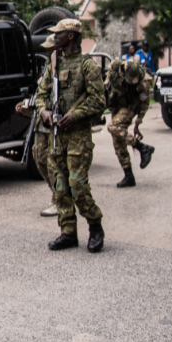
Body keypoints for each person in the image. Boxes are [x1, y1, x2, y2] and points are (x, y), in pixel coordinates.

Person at [36, 18, 106, 253]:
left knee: (77, 185)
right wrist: (44, 110)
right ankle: (68, 232)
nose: (55, 36)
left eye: (60, 33)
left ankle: (95, 225)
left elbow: (98, 101)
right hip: (56, 135)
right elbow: (41, 94)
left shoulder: (88, 66)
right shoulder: (54, 65)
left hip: (77, 136)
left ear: (72, 36)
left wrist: (75, 115)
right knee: (60, 186)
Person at [15, 35, 58, 217]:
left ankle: (60, 198)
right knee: (39, 158)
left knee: (56, 163)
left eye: (51, 48)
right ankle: (59, 193)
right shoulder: (49, 69)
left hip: (58, 123)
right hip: (43, 120)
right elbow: (41, 94)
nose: (47, 51)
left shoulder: (68, 69)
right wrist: (28, 105)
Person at [105, 59, 156, 187]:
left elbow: (144, 103)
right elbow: (109, 75)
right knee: (118, 141)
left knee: (112, 127)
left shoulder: (144, 82)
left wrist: (138, 123)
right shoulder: (116, 65)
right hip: (117, 104)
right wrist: (107, 84)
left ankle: (142, 147)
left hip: (129, 107)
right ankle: (129, 176)